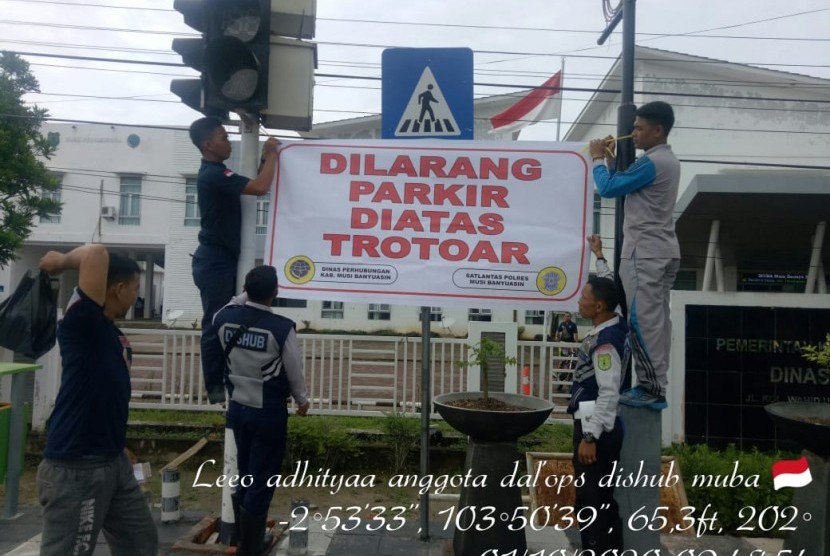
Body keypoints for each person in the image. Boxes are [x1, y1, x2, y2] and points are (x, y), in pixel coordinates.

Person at [37, 244, 158, 556]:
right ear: (118, 289)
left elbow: (102, 392)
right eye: (134, 287)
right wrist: (61, 262)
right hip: (76, 467)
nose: (136, 295)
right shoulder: (83, 322)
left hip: (111, 460)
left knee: (140, 543)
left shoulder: (109, 331)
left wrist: (117, 444)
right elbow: (96, 253)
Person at [203, 265, 310, 555]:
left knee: (245, 473)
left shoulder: (222, 318)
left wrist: (248, 292)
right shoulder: (282, 327)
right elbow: (294, 370)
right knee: (262, 479)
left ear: (246, 290)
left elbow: (235, 302)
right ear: (276, 292)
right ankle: (249, 549)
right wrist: (302, 400)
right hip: (268, 414)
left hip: (237, 408)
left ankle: (245, 540)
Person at [589, 100, 680, 410]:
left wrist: (598, 159)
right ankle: (654, 384)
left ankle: (651, 388)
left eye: (640, 128)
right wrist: (613, 160)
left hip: (645, 253)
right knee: (657, 321)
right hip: (661, 250)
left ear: (659, 130)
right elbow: (627, 183)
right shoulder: (663, 162)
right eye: (633, 128)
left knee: (643, 321)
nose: (634, 133)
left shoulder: (653, 162)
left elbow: (609, 188)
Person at [187, 117, 280, 402]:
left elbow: (253, 181)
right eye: (223, 137)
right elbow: (260, 187)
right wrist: (273, 154)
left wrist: (266, 158)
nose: (228, 142)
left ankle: (228, 377)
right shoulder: (213, 175)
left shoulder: (220, 173)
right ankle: (214, 385)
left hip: (224, 259)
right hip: (214, 260)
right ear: (208, 144)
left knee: (232, 320)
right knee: (215, 321)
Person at [567, 236, 629, 552]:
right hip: (598, 426)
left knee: (592, 501)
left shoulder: (605, 343)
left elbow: (608, 391)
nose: (580, 301)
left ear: (599, 306)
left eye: (585, 297)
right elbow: (607, 286)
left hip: (597, 428)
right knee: (598, 498)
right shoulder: (614, 322)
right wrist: (599, 256)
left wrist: (589, 437)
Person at [554, 312, 579, 390]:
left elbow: (576, 335)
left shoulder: (573, 325)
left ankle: (569, 373)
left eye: (568, 316)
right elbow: (557, 332)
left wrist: (576, 345)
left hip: (570, 344)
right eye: (565, 316)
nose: (566, 317)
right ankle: (557, 372)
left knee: (571, 358)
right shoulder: (562, 324)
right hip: (562, 343)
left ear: (570, 317)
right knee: (561, 358)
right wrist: (556, 338)